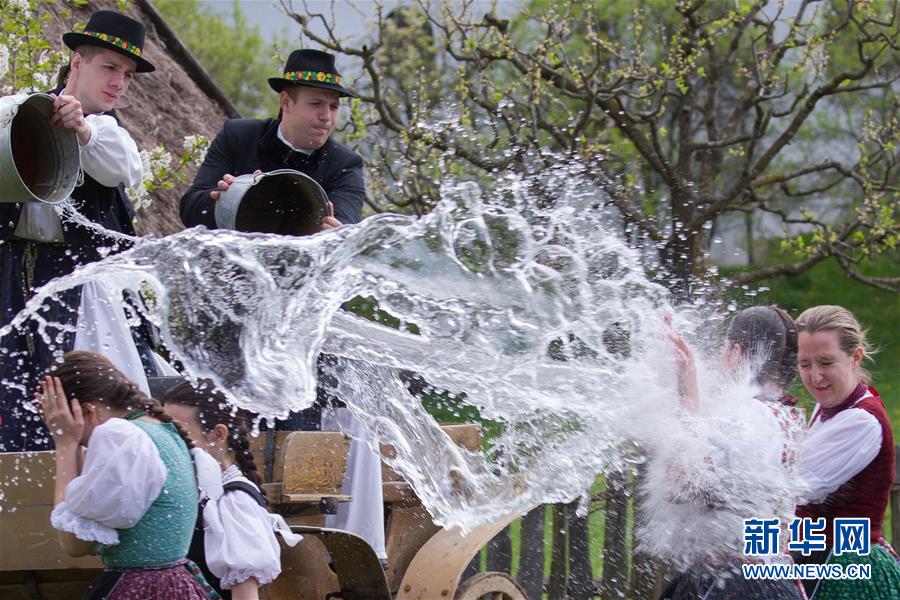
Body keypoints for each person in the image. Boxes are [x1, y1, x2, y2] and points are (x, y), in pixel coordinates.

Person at [1, 10, 154, 452]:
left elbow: (127, 169)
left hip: (80, 286)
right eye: (110, 68)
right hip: (13, 273)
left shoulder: (107, 131)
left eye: (126, 75)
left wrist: (82, 130)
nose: (119, 82)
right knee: (13, 384)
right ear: (77, 64)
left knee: (90, 391)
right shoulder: (22, 110)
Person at [38, 351, 217, 599]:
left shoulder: (118, 437)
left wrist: (66, 444)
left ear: (88, 412)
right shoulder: (161, 430)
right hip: (173, 585)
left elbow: (74, 543)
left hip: (141, 590)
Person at [659, 307, 806, 600]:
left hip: (735, 584)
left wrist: (688, 396)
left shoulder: (742, 416)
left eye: (725, 347)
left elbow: (681, 485)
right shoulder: (785, 415)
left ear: (736, 352)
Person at [179, 48, 364, 230]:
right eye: (316, 104)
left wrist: (336, 235)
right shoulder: (238, 136)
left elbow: (346, 230)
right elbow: (190, 209)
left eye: (333, 107)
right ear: (285, 102)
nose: (326, 117)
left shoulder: (345, 165)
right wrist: (228, 197)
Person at [793, 305, 900, 599]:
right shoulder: (830, 406)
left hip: (845, 571)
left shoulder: (860, 421)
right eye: (805, 364)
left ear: (855, 357)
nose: (815, 377)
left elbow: (792, 485)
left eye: (826, 362)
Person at [163, 379, 301, 600]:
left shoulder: (233, 499)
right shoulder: (203, 490)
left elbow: (245, 593)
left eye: (180, 434)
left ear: (218, 434)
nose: (170, 443)